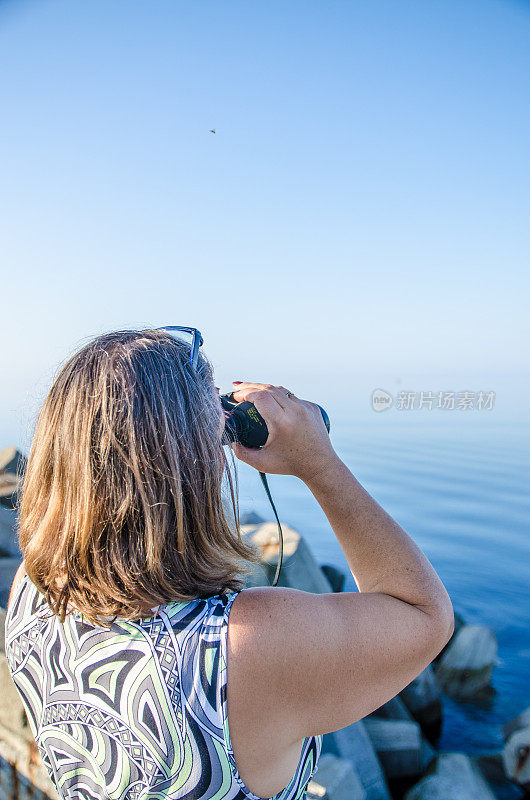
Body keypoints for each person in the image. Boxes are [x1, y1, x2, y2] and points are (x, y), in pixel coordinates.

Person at [4, 329, 454, 800]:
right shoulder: (243, 648)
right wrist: (319, 464)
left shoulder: (31, 593)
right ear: (198, 465)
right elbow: (425, 615)